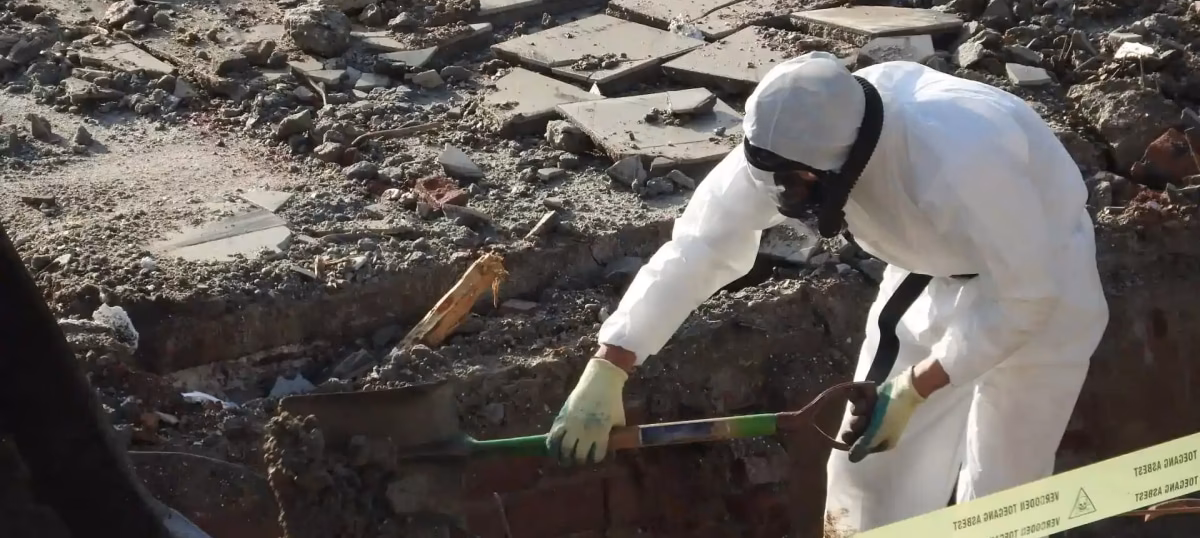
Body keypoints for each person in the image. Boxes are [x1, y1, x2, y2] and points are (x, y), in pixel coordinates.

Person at [543, 51, 1110, 534]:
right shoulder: (786, 143)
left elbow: (1026, 296)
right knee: (869, 476)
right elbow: (701, 245)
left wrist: (919, 386)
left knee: (1004, 492)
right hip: (927, 271)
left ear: (845, 160)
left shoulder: (960, 155)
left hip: (1044, 275)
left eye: (800, 185)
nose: (788, 195)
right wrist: (612, 360)